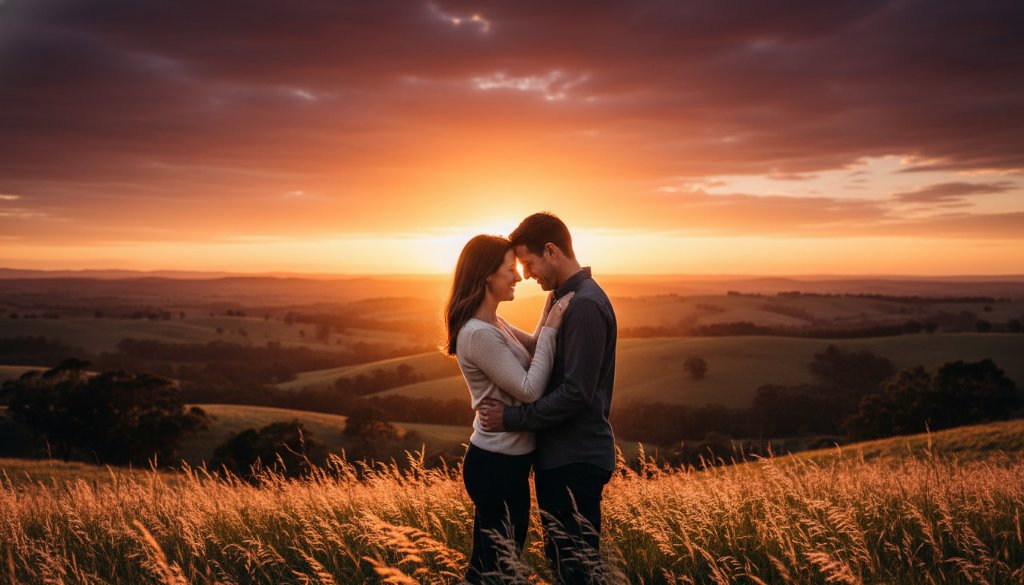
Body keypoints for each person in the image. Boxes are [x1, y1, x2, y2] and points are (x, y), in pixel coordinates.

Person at [478, 212, 617, 585]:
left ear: (552, 251)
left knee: (576, 570)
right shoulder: (562, 295)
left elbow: (576, 393)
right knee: (564, 564)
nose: (525, 274)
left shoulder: (584, 305)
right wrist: (493, 323)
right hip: (562, 457)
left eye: (528, 262)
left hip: (576, 458)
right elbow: (544, 348)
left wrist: (512, 419)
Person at [444, 234, 575, 584]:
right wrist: (552, 326)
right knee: (494, 570)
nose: (518, 276)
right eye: (509, 269)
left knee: (495, 566)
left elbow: (533, 349)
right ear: (487, 274)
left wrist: (551, 307)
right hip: (496, 467)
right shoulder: (478, 334)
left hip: (507, 465)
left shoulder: (493, 324)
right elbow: (530, 389)